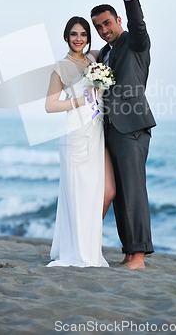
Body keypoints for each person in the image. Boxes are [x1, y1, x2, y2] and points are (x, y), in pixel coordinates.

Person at [91, 0, 155, 269]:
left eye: (107, 23)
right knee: (118, 194)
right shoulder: (103, 53)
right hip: (109, 129)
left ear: (118, 21)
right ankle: (129, 252)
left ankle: (139, 256)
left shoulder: (135, 42)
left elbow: (138, 23)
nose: (104, 29)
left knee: (134, 189)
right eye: (98, 26)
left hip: (132, 127)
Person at [45, 16, 114, 267]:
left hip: (96, 130)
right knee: (77, 191)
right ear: (66, 37)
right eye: (74, 34)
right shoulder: (60, 67)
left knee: (96, 191)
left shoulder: (93, 60)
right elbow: (50, 105)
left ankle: (89, 246)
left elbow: (112, 47)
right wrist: (79, 102)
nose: (79, 39)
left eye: (84, 34)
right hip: (74, 131)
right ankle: (76, 250)